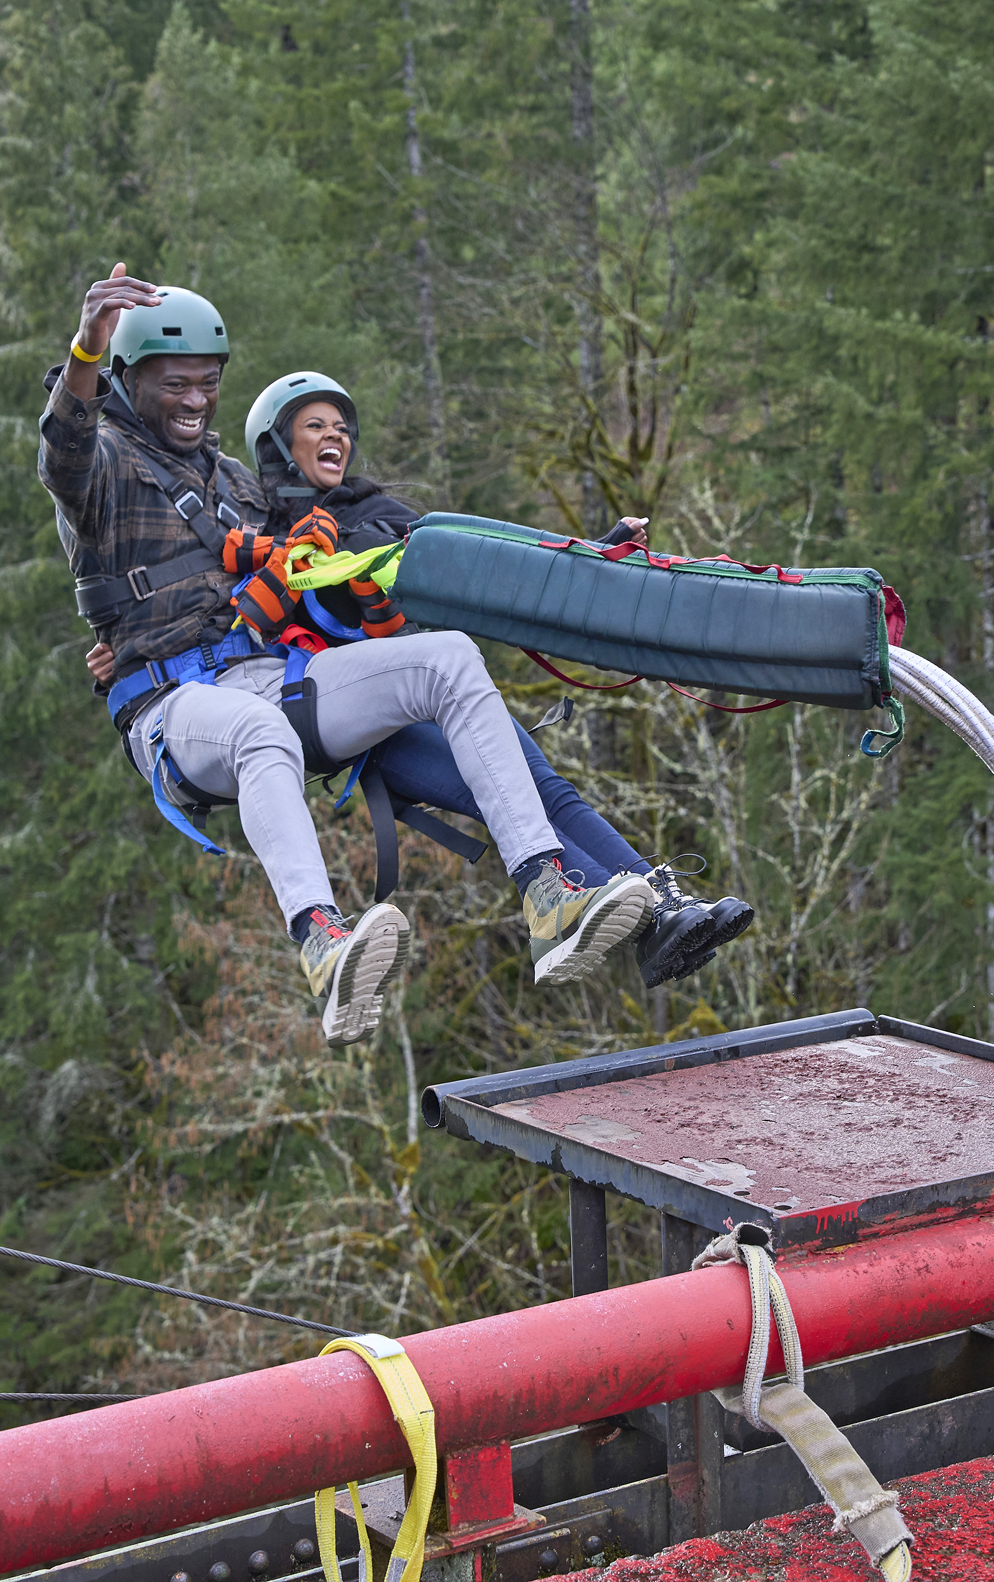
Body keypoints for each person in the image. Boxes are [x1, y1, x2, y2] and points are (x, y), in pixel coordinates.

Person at [41, 266, 653, 1050]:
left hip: (270, 675)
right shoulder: (105, 470)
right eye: (174, 384)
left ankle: (549, 894)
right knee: (257, 736)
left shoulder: (234, 483)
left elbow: (390, 546)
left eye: (208, 382)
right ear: (128, 379)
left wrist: (574, 559)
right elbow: (64, 449)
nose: (195, 400)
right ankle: (326, 945)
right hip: (173, 707)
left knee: (446, 658)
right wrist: (86, 350)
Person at [238, 369, 756, 987]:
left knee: (548, 788)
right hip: (375, 725)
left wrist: (595, 551)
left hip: (446, 689)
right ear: (279, 447)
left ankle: (663, 910)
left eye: (342, 428)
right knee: (509, 796)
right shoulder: (265, 540)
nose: (336, 437)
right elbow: (227, 622)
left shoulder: (380, 516)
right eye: (315, 427)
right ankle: (586, 904)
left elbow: (489, 566)